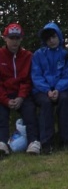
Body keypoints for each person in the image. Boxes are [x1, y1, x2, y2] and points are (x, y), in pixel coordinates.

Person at [31, 22, 68, 153]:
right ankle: (46, 143)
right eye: (48, 38)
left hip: (61, 89)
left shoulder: (66, 54)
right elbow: (36, 75)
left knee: (65, 99)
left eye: (54, 37)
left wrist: (58, 89)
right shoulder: (38, 55)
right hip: (41, 90)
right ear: (44, 41)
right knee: (45, 103)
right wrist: (47, 90)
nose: (51, 40)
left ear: (59, 37)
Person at [0, 23, 41, 155]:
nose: (15, 41)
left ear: (21, 39)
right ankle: (2, 143)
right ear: (4, 38)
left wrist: (21, 97)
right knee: (1, 114)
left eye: (17, 38)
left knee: (30, 112)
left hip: (22, 95)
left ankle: (33, 142)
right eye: (11, 37)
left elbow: (28, 80)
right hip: (4, 94)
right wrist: (5, 100)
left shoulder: (28, 56)